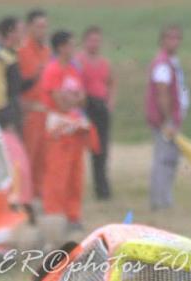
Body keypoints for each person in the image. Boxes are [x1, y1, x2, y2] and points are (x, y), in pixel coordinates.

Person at [40, 30, 97, 231]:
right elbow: (60, 103)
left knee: (75, 175)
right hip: (59, 131)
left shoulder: (73, 69)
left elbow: (82, 99)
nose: (74, 49)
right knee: (57, 175)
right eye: (71, 45)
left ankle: (73, 216)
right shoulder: (52, 70)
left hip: (74, 130)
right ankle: (55, 216)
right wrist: (73, 99)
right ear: (61, 47)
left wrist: (72, 99)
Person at [145, 24, 188, 210]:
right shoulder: (162, 64)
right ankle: (160, 200)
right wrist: (168, 120)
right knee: (164, 160)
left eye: (177, 38)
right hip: (164, 121)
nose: (175, 42)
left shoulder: (171, 62)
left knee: (169, 159)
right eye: (170, 38)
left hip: (170, 120)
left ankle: (164, 198)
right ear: (162, 40)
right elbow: (162, 93)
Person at [77, 26, 115, 200]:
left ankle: (102, 188)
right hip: (85, 105)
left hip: (101, 105)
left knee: (101, 148)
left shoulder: (105, 63)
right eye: (91, 40)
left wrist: (110, 102)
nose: (94, 44)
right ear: (85, 42)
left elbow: (111, 83)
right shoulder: (78, 61)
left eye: (97, 41)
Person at [18, 9, 50, 197]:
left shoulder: (46, 51)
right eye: (38, 26)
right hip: (29, 112)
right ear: (29, 27)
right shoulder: (21, 51)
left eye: (44, 27)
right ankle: (26, 194)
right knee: (29, 154)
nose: (42, 30)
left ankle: (40, 192)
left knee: (44, 156)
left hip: (45, 112)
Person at [0, 17, 23, 133]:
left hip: (15, 112)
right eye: (20, 31)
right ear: (10, 33)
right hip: (6, 118)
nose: (23, 34)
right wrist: (7, 122)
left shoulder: (13, 54)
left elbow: (16, 86)